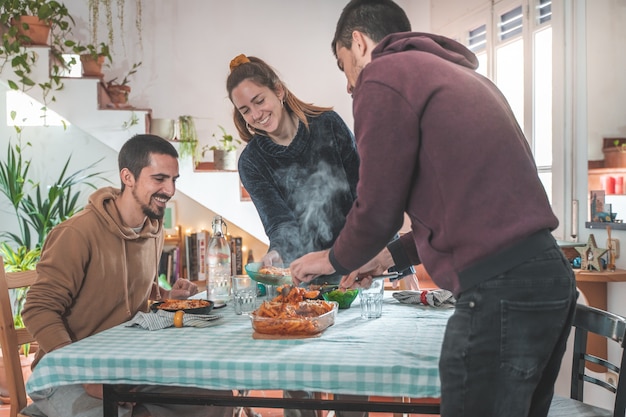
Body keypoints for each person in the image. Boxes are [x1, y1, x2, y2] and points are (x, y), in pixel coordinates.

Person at [290, 1, 578, 417]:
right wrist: (387, 257)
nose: (351, 85)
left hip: (500, 289)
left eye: (344, 67)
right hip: (548, 277)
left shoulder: (383, 76)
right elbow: (460, 211)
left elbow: (377, 209)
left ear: (358, 42)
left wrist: (331, 259)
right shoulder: (461, 75)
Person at [21, 134, 233, 417]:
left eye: (174, 179)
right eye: (159, 179)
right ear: (128, 177)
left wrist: (168, 297)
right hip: (65, 372)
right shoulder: (77, 234)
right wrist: (85, 373)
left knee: (215, 397)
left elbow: (133, 293)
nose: (169, 189)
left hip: (123, 363)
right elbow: (38, 309)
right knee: (128, 414)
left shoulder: (152, 227)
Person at [228, 53, 376, 417]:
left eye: (259, 100)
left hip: (351, 266)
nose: (256, 114)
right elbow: (278, 221)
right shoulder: (252, 161)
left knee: (350, 380)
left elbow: (364, 192)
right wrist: (278, 252)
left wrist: (374, 252)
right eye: (245, 110)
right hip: (299, 276)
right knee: (298, 389)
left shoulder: (327, 125)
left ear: (278, 91)